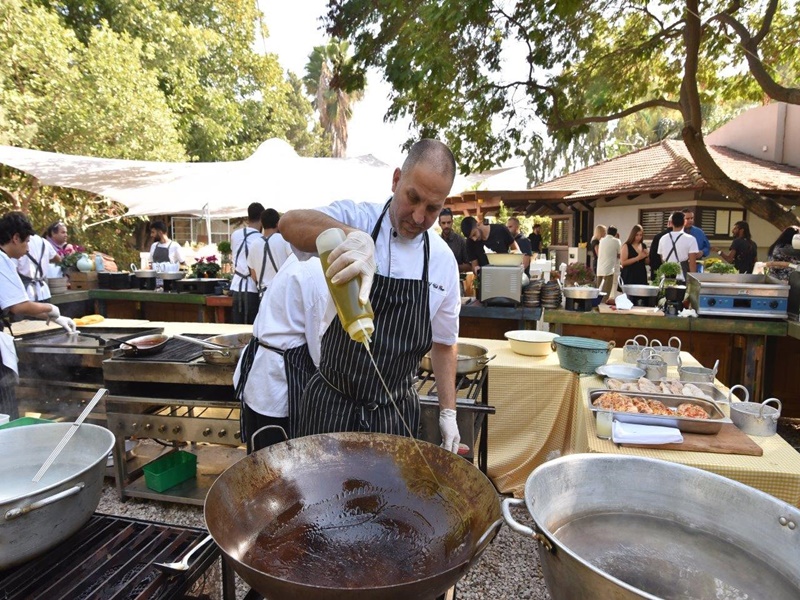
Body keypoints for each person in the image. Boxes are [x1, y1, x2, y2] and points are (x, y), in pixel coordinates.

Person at [279, 139, 462, 453]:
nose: (419, 217)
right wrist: (351, 237)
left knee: (386, 502)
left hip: (394, 415)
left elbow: (444, 344)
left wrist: (448, 411)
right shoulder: (356, 218)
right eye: (412, 198)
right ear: (395, 181)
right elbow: (288, 223)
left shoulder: (443, 262)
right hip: (330, 407)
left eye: (433, 208)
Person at [234, 255, 329, 453]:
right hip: (280, 383)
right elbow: (321, 350)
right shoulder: (316, 271)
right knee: (282, 463)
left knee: (261, 459)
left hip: (262, 376)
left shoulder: (298, 258)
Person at [1, 212, 76, 420]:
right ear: (15, 238)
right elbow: (18, 306)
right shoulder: (2, 261)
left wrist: (51, 317)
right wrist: (51, 311)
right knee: (5, 409)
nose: (26, 249)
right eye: (25, 242)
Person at [246, 208, 293, 299]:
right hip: (282, 292)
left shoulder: (254, 245)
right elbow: (294, 264)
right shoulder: (284, 240)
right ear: (277, 223)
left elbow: (254, 276)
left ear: (262, 224)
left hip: (263, 295)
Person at [229, 203, 264, 324]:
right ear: (262, 218)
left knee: (237, 325)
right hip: (252, 288)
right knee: (252, 327)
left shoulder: (235, 235)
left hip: (236, 287)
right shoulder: (261, 239)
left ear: (248, 217)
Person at [657, 211, 698, 280]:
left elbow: (662, 259)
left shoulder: (663, 238)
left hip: (665, 276)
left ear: (671, 223)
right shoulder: (691, 239)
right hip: (682, 276)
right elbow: (692, 263)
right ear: (685, 222)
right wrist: (693, 280)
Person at [16, 233, 57, 301]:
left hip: (26, 293)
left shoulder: (18, 245)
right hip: (44, 292)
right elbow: (57, 258)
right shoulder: (44, 242)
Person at [438, 208, 471, 273]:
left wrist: (452, 267)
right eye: (443, 223)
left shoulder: (460, 241)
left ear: (452, 222)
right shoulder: (436, 242)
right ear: (439, 223)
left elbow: (470, 265)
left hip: (456, 280)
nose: (446, 226)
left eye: (448, 222)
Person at [596, 226, 621, 297]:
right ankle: (603, 306)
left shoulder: (601, 240)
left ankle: (597, 305)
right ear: (615, 233)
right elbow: (619, 255)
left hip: (599, 269)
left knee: (599, 291)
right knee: (606, 293)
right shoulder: (616, 241)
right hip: (609, 270)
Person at [649, 217, 673, 282]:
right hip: (678, 272)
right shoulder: (686, 237)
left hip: (659, 271)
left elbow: (652, 256)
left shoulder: (659, 236)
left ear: (669, 223)